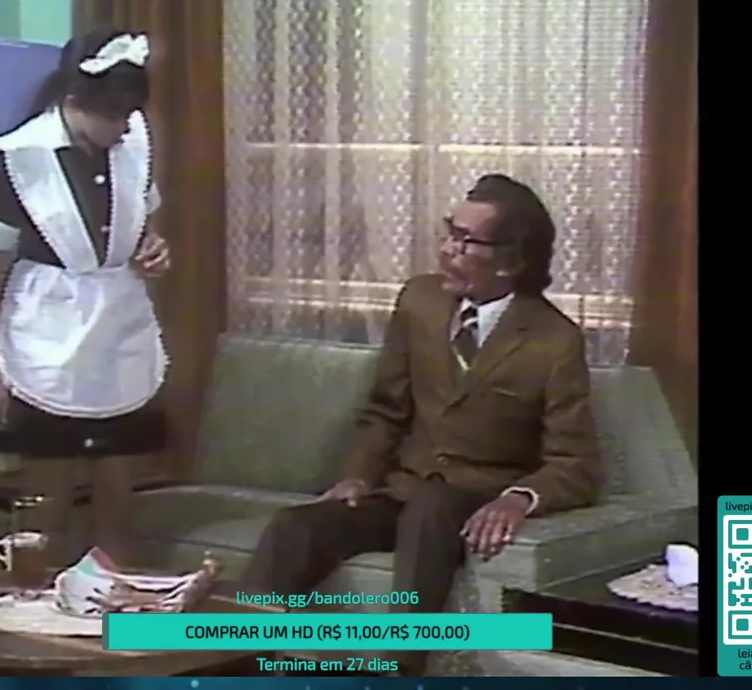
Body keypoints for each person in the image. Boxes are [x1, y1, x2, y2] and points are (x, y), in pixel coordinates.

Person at [239, 174, 601, 676]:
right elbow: (386, 409)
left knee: (431, 509)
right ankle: (237, 665)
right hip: (401, 490)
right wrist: (357, 477)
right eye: (450, 231)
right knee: (294, 527)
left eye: (466, 241)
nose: (447, 248)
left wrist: (519, 498)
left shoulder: (554, 341)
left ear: (511, 261)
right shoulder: (419, 301)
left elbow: (576, 464)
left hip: (468, 498)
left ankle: (400, 668)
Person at [0, 29, 170, 563]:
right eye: (114, 115)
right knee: (46, 499)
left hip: (118, 330)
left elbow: (138, 226)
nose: (124, 127)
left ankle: (114, 600)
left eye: (130, 113)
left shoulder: (133, 140)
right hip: (47, 334)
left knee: (118, 491)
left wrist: (151, 247)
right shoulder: (21, 157)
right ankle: (33, 600)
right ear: (75, 101)